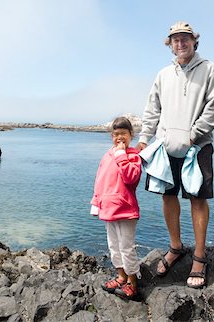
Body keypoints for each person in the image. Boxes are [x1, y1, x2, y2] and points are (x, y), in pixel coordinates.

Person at [136, 21, 214, 289]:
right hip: (165, 146)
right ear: (170, 44)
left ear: (194, 41)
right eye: (175, 39)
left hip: (197, 146)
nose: (180, 43)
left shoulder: (210, 70)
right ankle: (175, 247)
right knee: (168, 196)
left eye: (185, 38)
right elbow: (152, 110)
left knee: (197, 199)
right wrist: (143, 139)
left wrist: (193, 135)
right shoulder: (163, 74)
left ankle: (199, 256)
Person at [90, 116, 142, 300]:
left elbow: (131, 178)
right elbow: (100, 180)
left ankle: (132, 282)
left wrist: (121, 155)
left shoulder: (133, 155)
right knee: (114, 246)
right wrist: (96, 202)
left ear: (131, 135)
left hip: (126, 210)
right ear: (112, 136)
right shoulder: (106, 155)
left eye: (124, 134)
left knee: (127, 247)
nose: (120, 137)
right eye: (116, 134)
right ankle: (121, 276)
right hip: (108, 209)